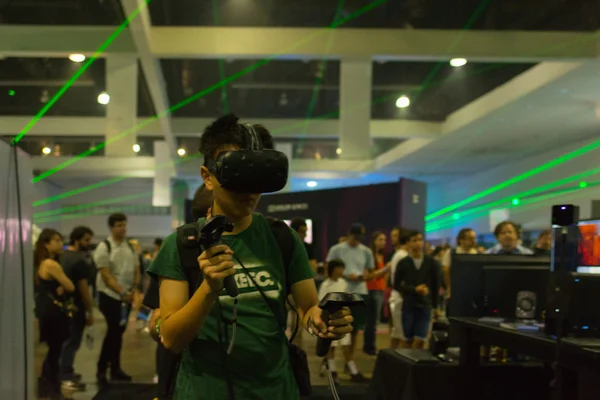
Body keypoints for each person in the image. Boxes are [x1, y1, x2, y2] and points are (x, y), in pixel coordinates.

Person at [147, 114, 354, 400]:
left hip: (277, 390)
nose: (249, 191)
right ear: (208, 177)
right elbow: (170, 338)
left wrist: (321, 322)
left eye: (257, 176)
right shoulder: (181, 246)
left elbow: (308, 310)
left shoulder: (282, 238)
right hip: (204, 391)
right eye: (237, 176)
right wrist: (208, 288)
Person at [93, 212, 140, 386]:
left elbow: (136, 270)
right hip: (110, 296)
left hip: (125, 298)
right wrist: (121, 292)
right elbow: (105, 274)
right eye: (119, 225)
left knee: (118, 334)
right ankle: (101, 369)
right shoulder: (104, 246)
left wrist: (133, 289)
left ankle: (115, 369)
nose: (123, 228)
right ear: (111, 227)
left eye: (124, 224)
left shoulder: (130, 246)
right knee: (113, 332)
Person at [325, 222, 372, 382]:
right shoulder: (337, 249)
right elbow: (329, 268)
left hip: (359, 292)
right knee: (335, 331)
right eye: (355, 236)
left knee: (354, 330)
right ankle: (332, 366)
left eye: (360, 237)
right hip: (339, 292)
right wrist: (347, 276)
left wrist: (363, 275)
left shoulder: (366, 251)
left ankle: (349, 362)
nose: (357, 240)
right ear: (349, 234)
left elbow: (369, 269)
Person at [34, 229, 75, 399]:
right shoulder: (51, 264)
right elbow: (70, 286)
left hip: (45, 309)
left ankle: (47, 383)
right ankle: (51, 385)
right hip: (54, 312)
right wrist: (63, 286)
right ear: (46, 244)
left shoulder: (41, 263)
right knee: (55, 349)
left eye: (60, 239)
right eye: (56, 240)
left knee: (53, 349)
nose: (60, 243)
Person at [59, 226, 95, 391]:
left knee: (63, 342)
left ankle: (65, 372)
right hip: (76, 308)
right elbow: (83, 289)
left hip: (62, 307)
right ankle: (65, 376)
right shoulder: (79, 261)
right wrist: (90, 310)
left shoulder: (63, 256)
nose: (89, 243)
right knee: (72, 342)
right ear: (77, 240)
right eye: (86, 240)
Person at [393, 230, 441, 349]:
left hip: (425, 304)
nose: (418, 243)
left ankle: (418, 364)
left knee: (421, 339)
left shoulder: (431, 262)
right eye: (414, 240)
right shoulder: (403, 263)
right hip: (409, 304)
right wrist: (414, 289)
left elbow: (436, 285)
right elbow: (396, 285)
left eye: (420, 240)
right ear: (408, 243)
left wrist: (436, 307)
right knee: (408, 340)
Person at [317, 259, 351, 386]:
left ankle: (351, 369)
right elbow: (321, 302)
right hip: (330, 318)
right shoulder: (326, 285)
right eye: (339, 268)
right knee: (331, 346)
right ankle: (333, 371)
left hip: (342, 318)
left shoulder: (343, 283)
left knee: (346, 345)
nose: (342, 271)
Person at [363, 231, 389, 356]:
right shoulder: (370, 255)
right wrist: (385, 269)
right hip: (371, 290)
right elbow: (368, 276)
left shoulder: (382, 256)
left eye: (384, 239)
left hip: (380, 290)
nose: (383, 242)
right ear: (374, 241)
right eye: (380, 239)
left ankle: (370, 345)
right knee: (371, 322)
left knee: (375, 321)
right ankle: (369, 347)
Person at [388, 227, 409, 349]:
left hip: (399, 297)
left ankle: (391, 361)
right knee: (403, 335)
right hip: (400, 297)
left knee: (396, 333)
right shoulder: (401, 255)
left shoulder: (400, 254)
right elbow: (397, 280)